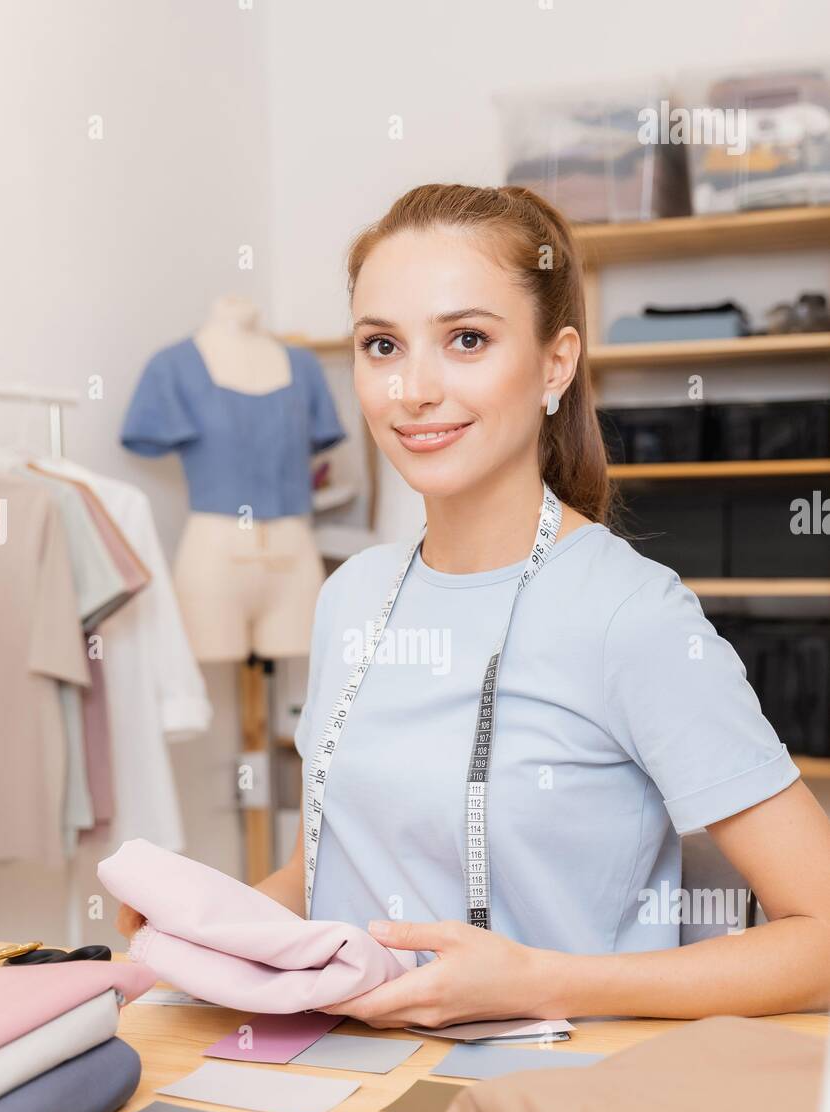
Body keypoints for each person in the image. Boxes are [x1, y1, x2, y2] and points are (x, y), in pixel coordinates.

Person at [117, 183, 830, 1028]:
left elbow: (818, 937)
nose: (412, 389)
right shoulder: (351, 596)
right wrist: (210, 925)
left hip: (551, 1093)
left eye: (466, 340)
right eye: (381, 345)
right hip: (339, 1072)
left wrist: (539, 982)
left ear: (555, 364)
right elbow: (332, 862)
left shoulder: (631, 616)